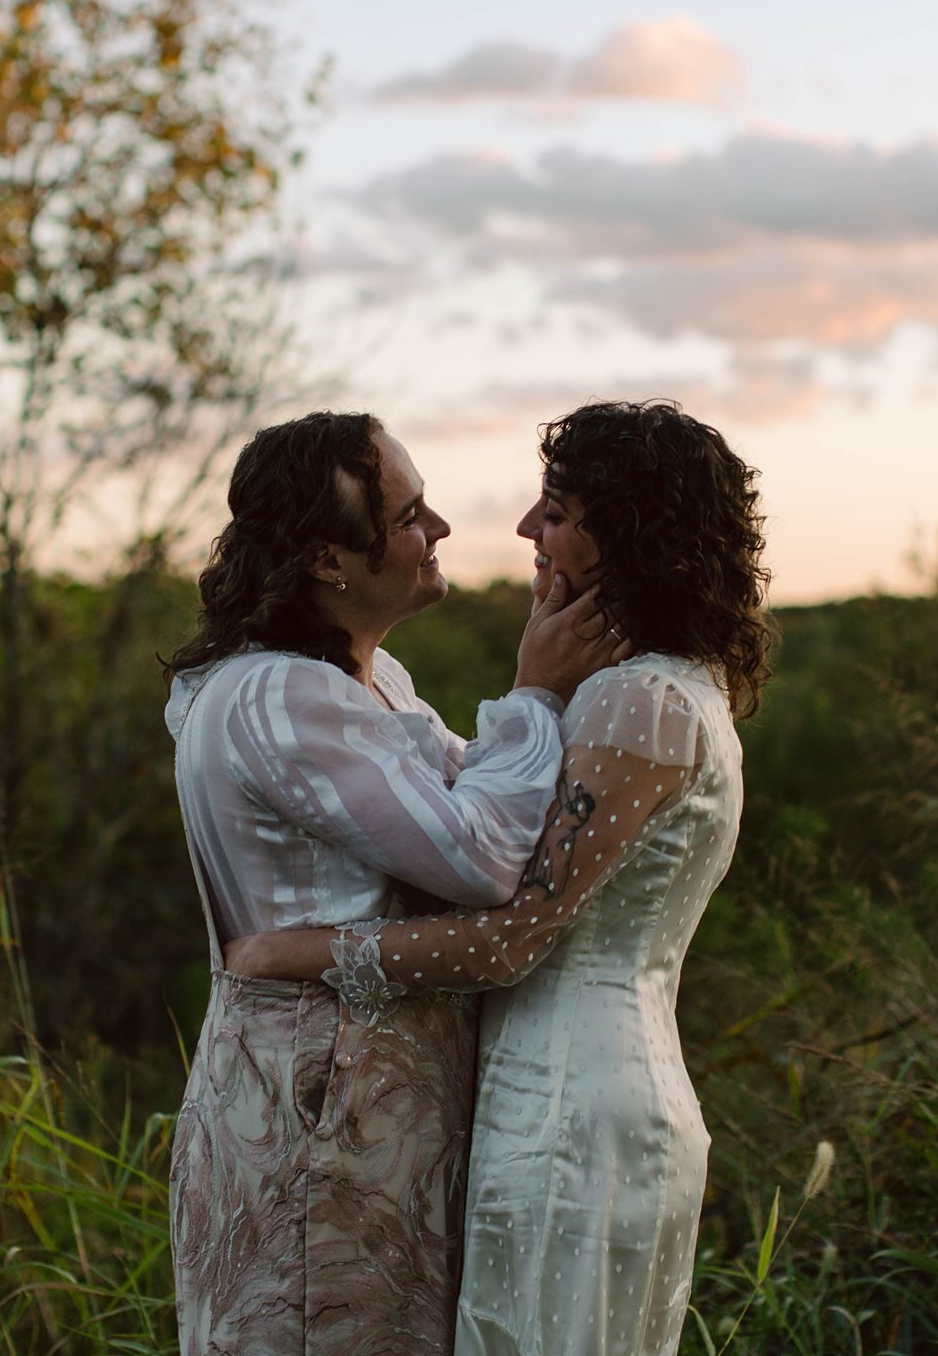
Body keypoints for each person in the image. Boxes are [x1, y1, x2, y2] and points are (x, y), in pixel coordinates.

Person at [224, 399, 775, 1356]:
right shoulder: (663, 687)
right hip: (573, 1089)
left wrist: (297, 954)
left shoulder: (635, 703)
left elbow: (514, 935)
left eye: (556, 510)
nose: (526, 528)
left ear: (629, 535)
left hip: (570, 1106)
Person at [162, 410, 625, 1356]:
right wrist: (534, 692)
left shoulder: (370, 682)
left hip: (367, 1117)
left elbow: (490, 804)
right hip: (315, 1120)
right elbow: (482, 858)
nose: (442, 529)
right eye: (410, 514)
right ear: (331, 558)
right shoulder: (279, 697)